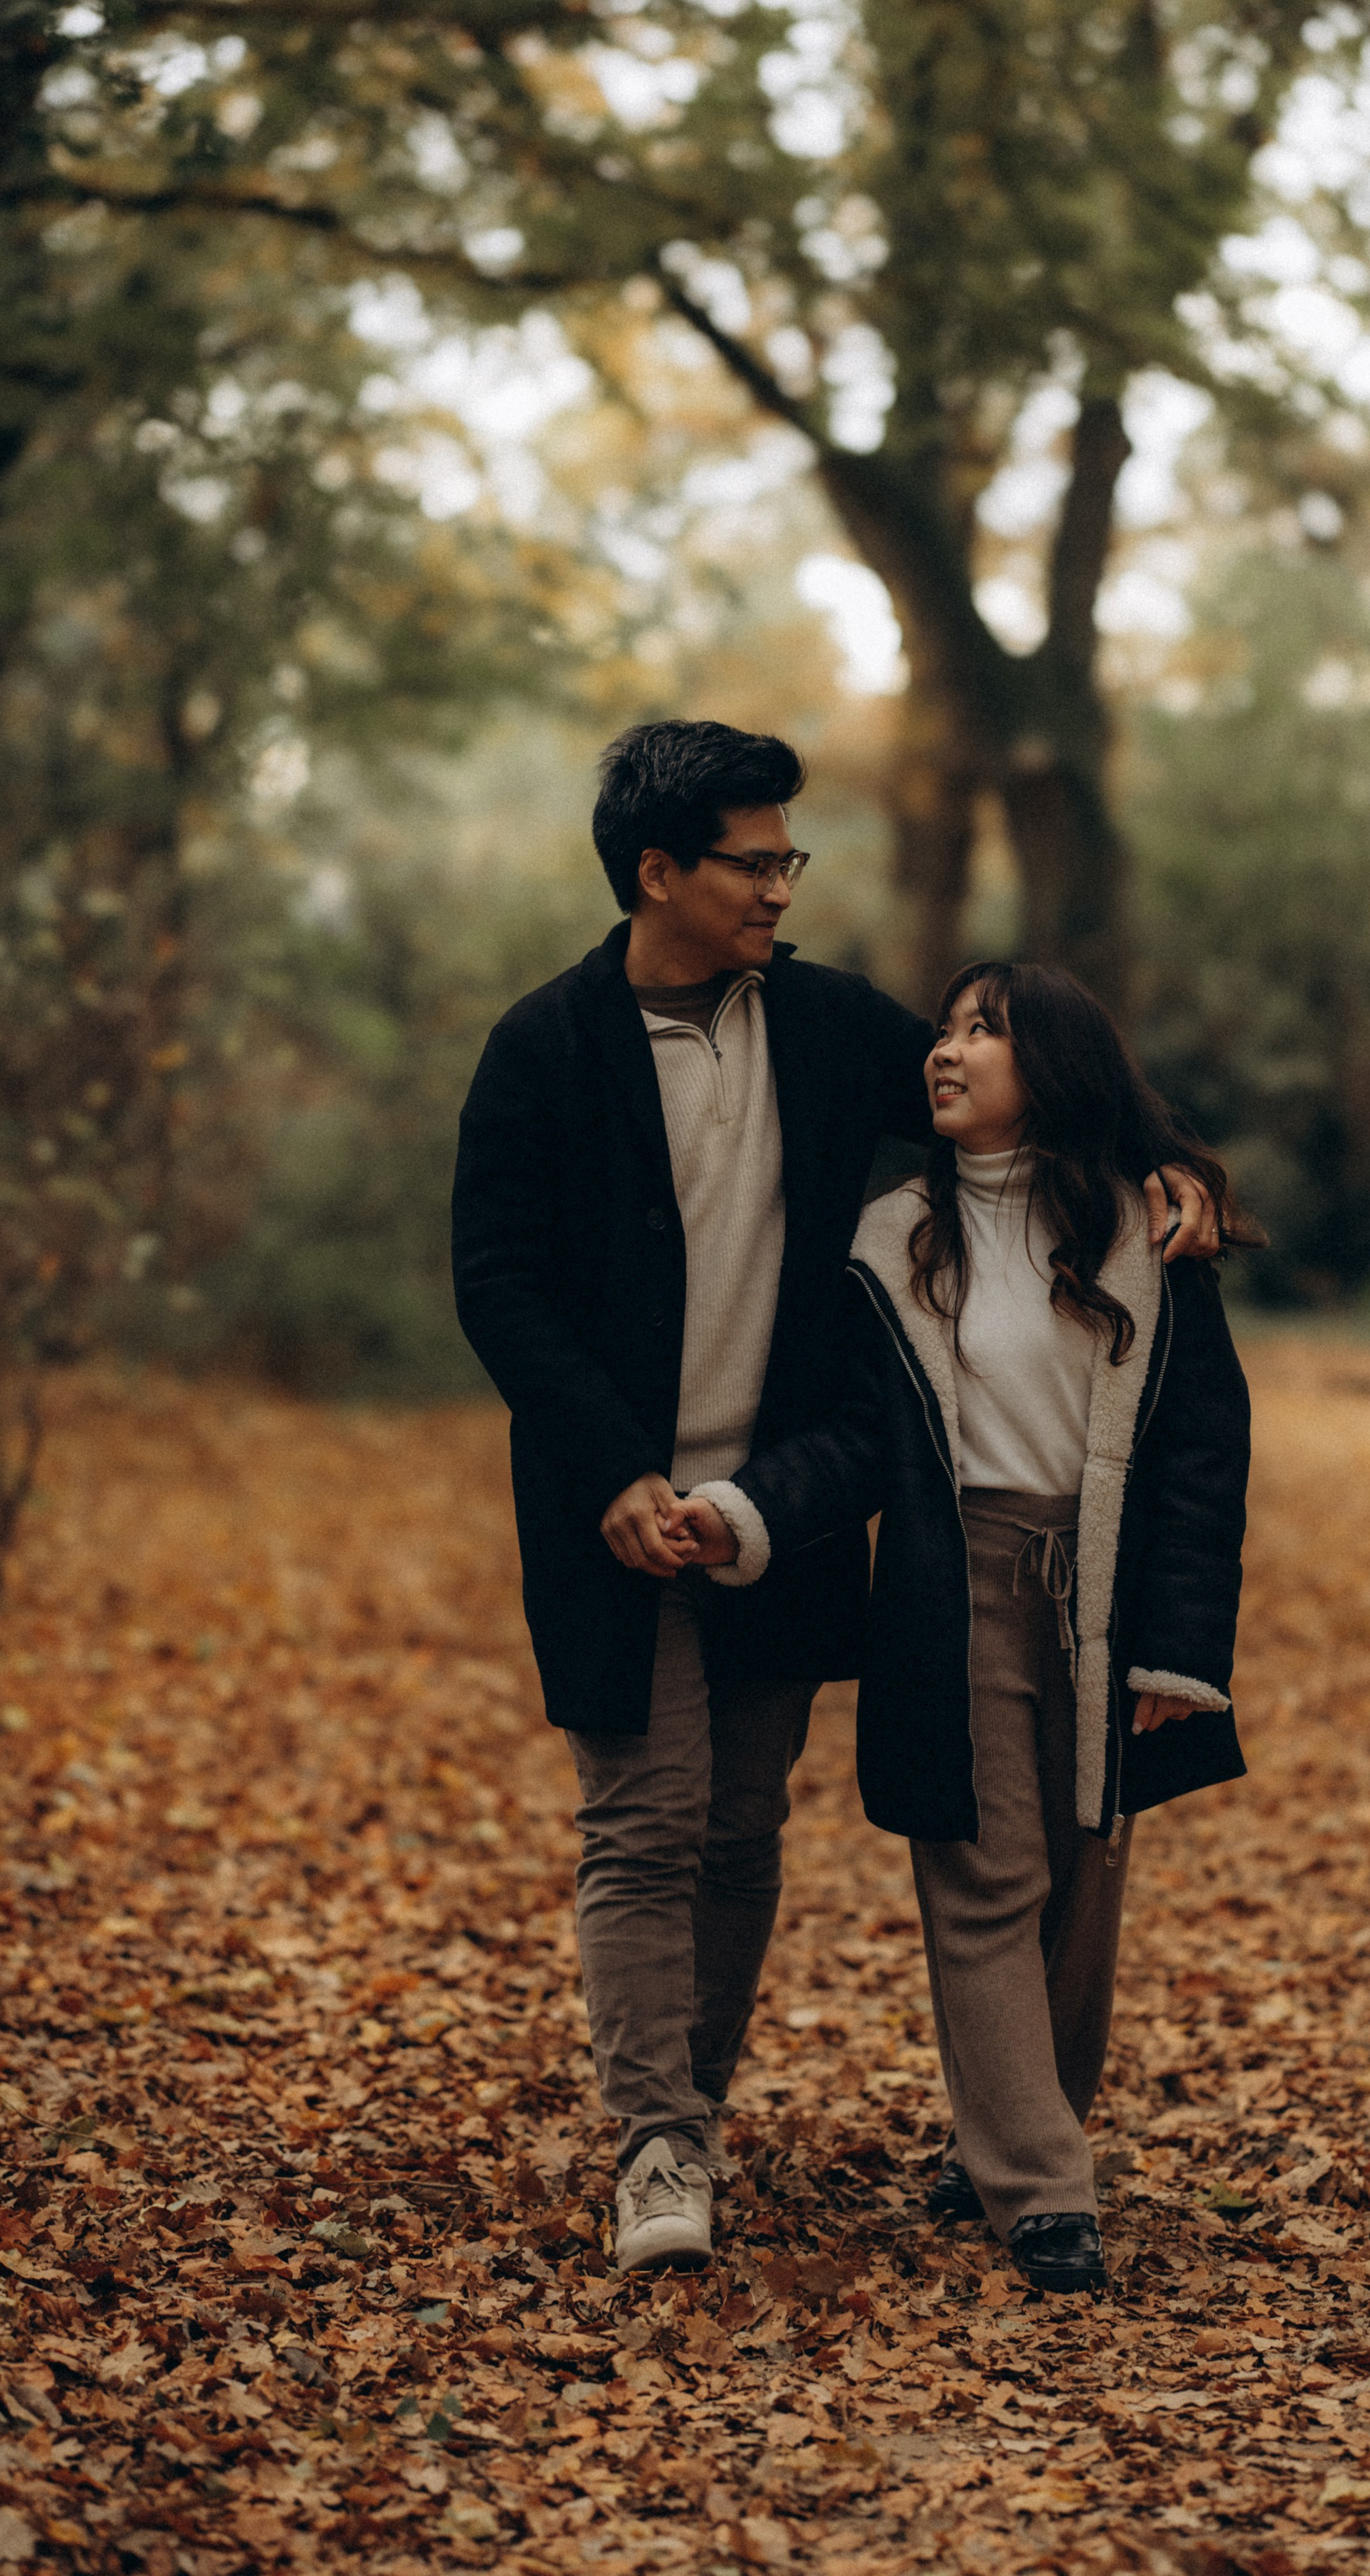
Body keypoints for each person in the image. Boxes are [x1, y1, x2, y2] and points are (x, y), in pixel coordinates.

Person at [451, 721, 1220, 2277]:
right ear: (657, 869)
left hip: (791, 1498)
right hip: (610, 1498)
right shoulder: (545, 1048)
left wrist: (1169, 1166)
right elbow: (498, 1282)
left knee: (740, 1821)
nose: (782, 888)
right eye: (757, 858)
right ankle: (655, 2132)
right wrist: (611, 1467)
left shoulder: (818, 1024)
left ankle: (697, 2105)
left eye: (787, 857)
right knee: (641, 1815)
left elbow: (1022, 1078)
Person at [667, 960, 1252, 2294]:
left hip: (1100, 1589)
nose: (945, 1049)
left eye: (981, 1030)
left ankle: (1003, 2128)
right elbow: (860, 1441)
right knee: (987, 1878)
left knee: (1082, 1876)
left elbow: (1200, 1449)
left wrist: (1179, 1651)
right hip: (954, 1585)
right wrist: (742, 1511)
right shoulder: (889, 1239)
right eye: (943, 1026)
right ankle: (1045, 2187)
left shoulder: (1141, 1228)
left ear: (1047, 1064)